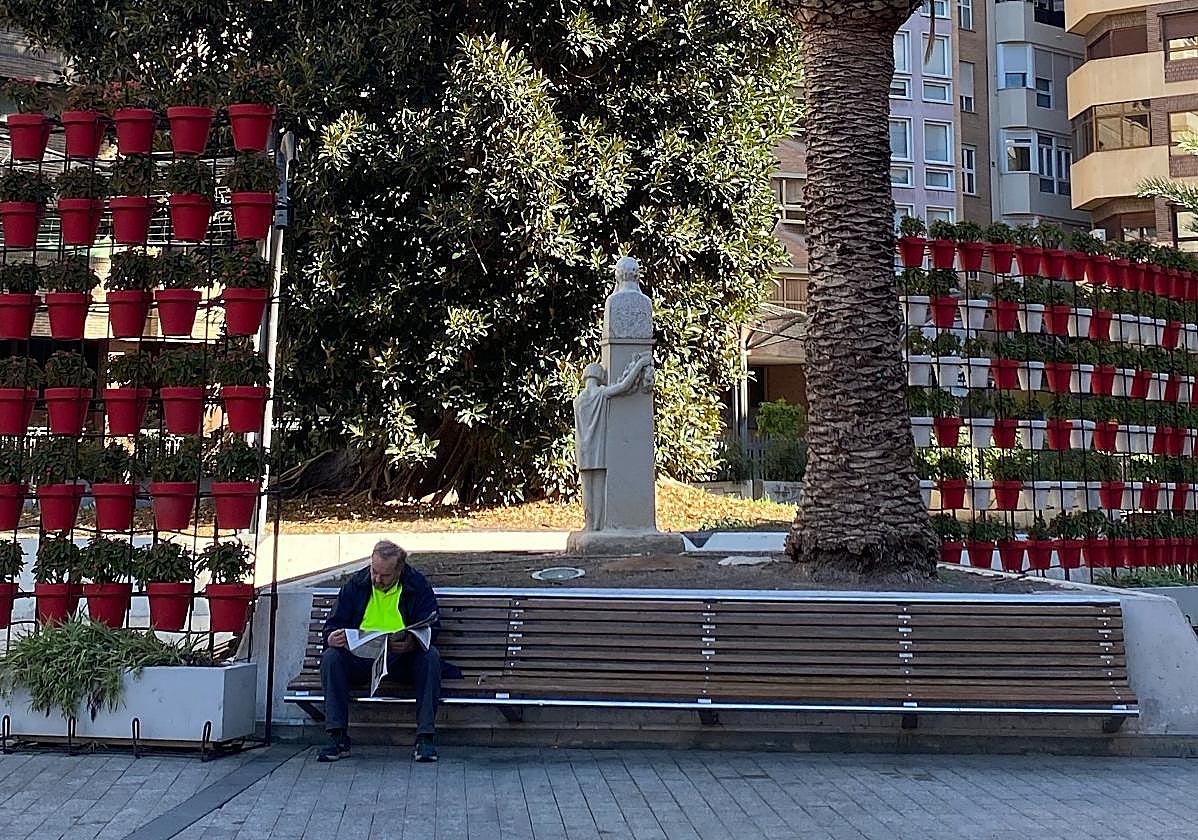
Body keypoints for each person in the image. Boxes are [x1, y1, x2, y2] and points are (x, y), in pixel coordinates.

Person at [318, 540, 443, 763]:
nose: (376, 579)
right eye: (374, 571)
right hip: (362, 658)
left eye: (384, 576)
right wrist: (331, 636)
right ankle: (336, 736)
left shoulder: (417, 584)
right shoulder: (356, 584)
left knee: (429, 657)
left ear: (399, 570)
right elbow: (333, 623)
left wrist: (412, 642)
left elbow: (432, 625)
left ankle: (425, 738)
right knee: (331, 657)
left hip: (401, 659)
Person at [573, 352, 653, 531]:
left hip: (583, 448)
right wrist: (640, 364)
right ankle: (597, 525)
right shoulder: (601, 394)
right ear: (599, 377)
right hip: (598, 448)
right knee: (599, 487)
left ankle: (588, 525)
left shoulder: (578, 400)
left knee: (586, 488)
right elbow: (624, 386)